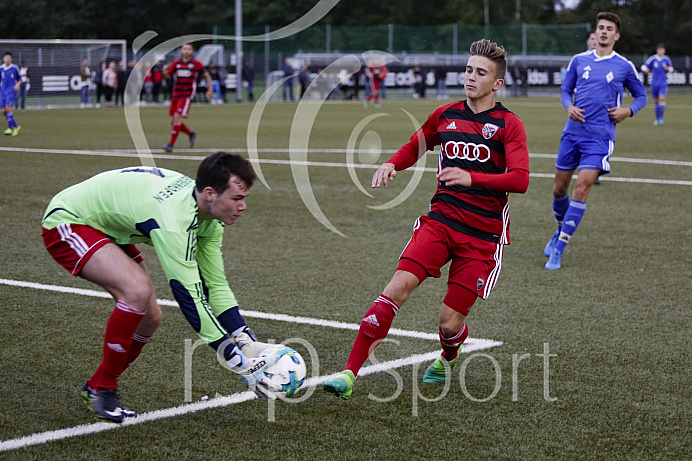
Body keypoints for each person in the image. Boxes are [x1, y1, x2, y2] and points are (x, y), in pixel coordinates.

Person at [323, 39, 530, 399]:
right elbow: (415, 144)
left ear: (497, 83)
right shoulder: (445, 115)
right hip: (440, 222)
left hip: (482, 238)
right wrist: (392, 163)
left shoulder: (508, 124)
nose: (470, 77)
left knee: (448, 324)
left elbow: (520, 179)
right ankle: (349, 372)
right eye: (468, 70)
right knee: (396, 288)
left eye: (481, 73)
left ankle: (450, 352)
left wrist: (472, 178)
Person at [41, 152, 286, 423]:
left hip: (109, 226)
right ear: (209, 193)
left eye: (244, 199)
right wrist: (233, 357)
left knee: (150, 318)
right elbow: (188, 294)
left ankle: (98, 384)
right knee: (137, 291)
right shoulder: (175, 220)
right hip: (69, 219)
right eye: (236, 199)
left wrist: (243, 337)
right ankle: (103, 389)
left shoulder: (211, 221)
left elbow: (215, 284)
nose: (243, 207)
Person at [543, 12, 647, 270]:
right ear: (595, 32)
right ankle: (560, 230)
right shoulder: (579, 61)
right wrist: (569, 107)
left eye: (608, 28)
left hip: (600, 138)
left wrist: (628, 111)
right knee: (559, 189)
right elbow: (566, 91)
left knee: (581, 188)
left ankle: (559, 247)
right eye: (600, 27)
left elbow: (641, 95)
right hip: (572, 134)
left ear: (616, 35)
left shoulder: (624, 66)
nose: (603, 32)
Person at [162, 43, 213, 153]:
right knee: (173, 121)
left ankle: (170, 145)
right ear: (181, 51)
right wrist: (164, 71)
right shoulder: (176, 63)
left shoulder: (196, 64)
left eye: (189, 49)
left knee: (177, 117)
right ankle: (190, 133)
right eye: (185, 49)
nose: (186, 51)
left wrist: (210, 89)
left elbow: (207, 75)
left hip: (186, 95)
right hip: (175, 94)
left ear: (192, 51)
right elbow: (168, 76)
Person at [641, 44, 673, 126]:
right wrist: (646, 69)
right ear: (657, 50)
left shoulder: (666, 59)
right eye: (659, 50)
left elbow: (671, 68)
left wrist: (668, 68)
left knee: (662, 98)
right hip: (654, 83)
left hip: (663, 83)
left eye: (662, 50)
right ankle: (657, 118)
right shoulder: (653, 59)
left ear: (664, 51)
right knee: (656, 101)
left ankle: (661, 118)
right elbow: (643, 66)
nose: (661, 51)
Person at [1, 52, 21, 136]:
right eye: (6, 58)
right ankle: (16, 126)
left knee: (8, 108)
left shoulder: (14, 68)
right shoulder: (1, 68)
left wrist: (17, 85)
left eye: (9, 58)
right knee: (4, 111)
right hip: (2, 92)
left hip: (11, 91)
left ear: (11, 59)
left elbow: (20, 78)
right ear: (3, 59)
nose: (7, 59)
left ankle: (9, 128)